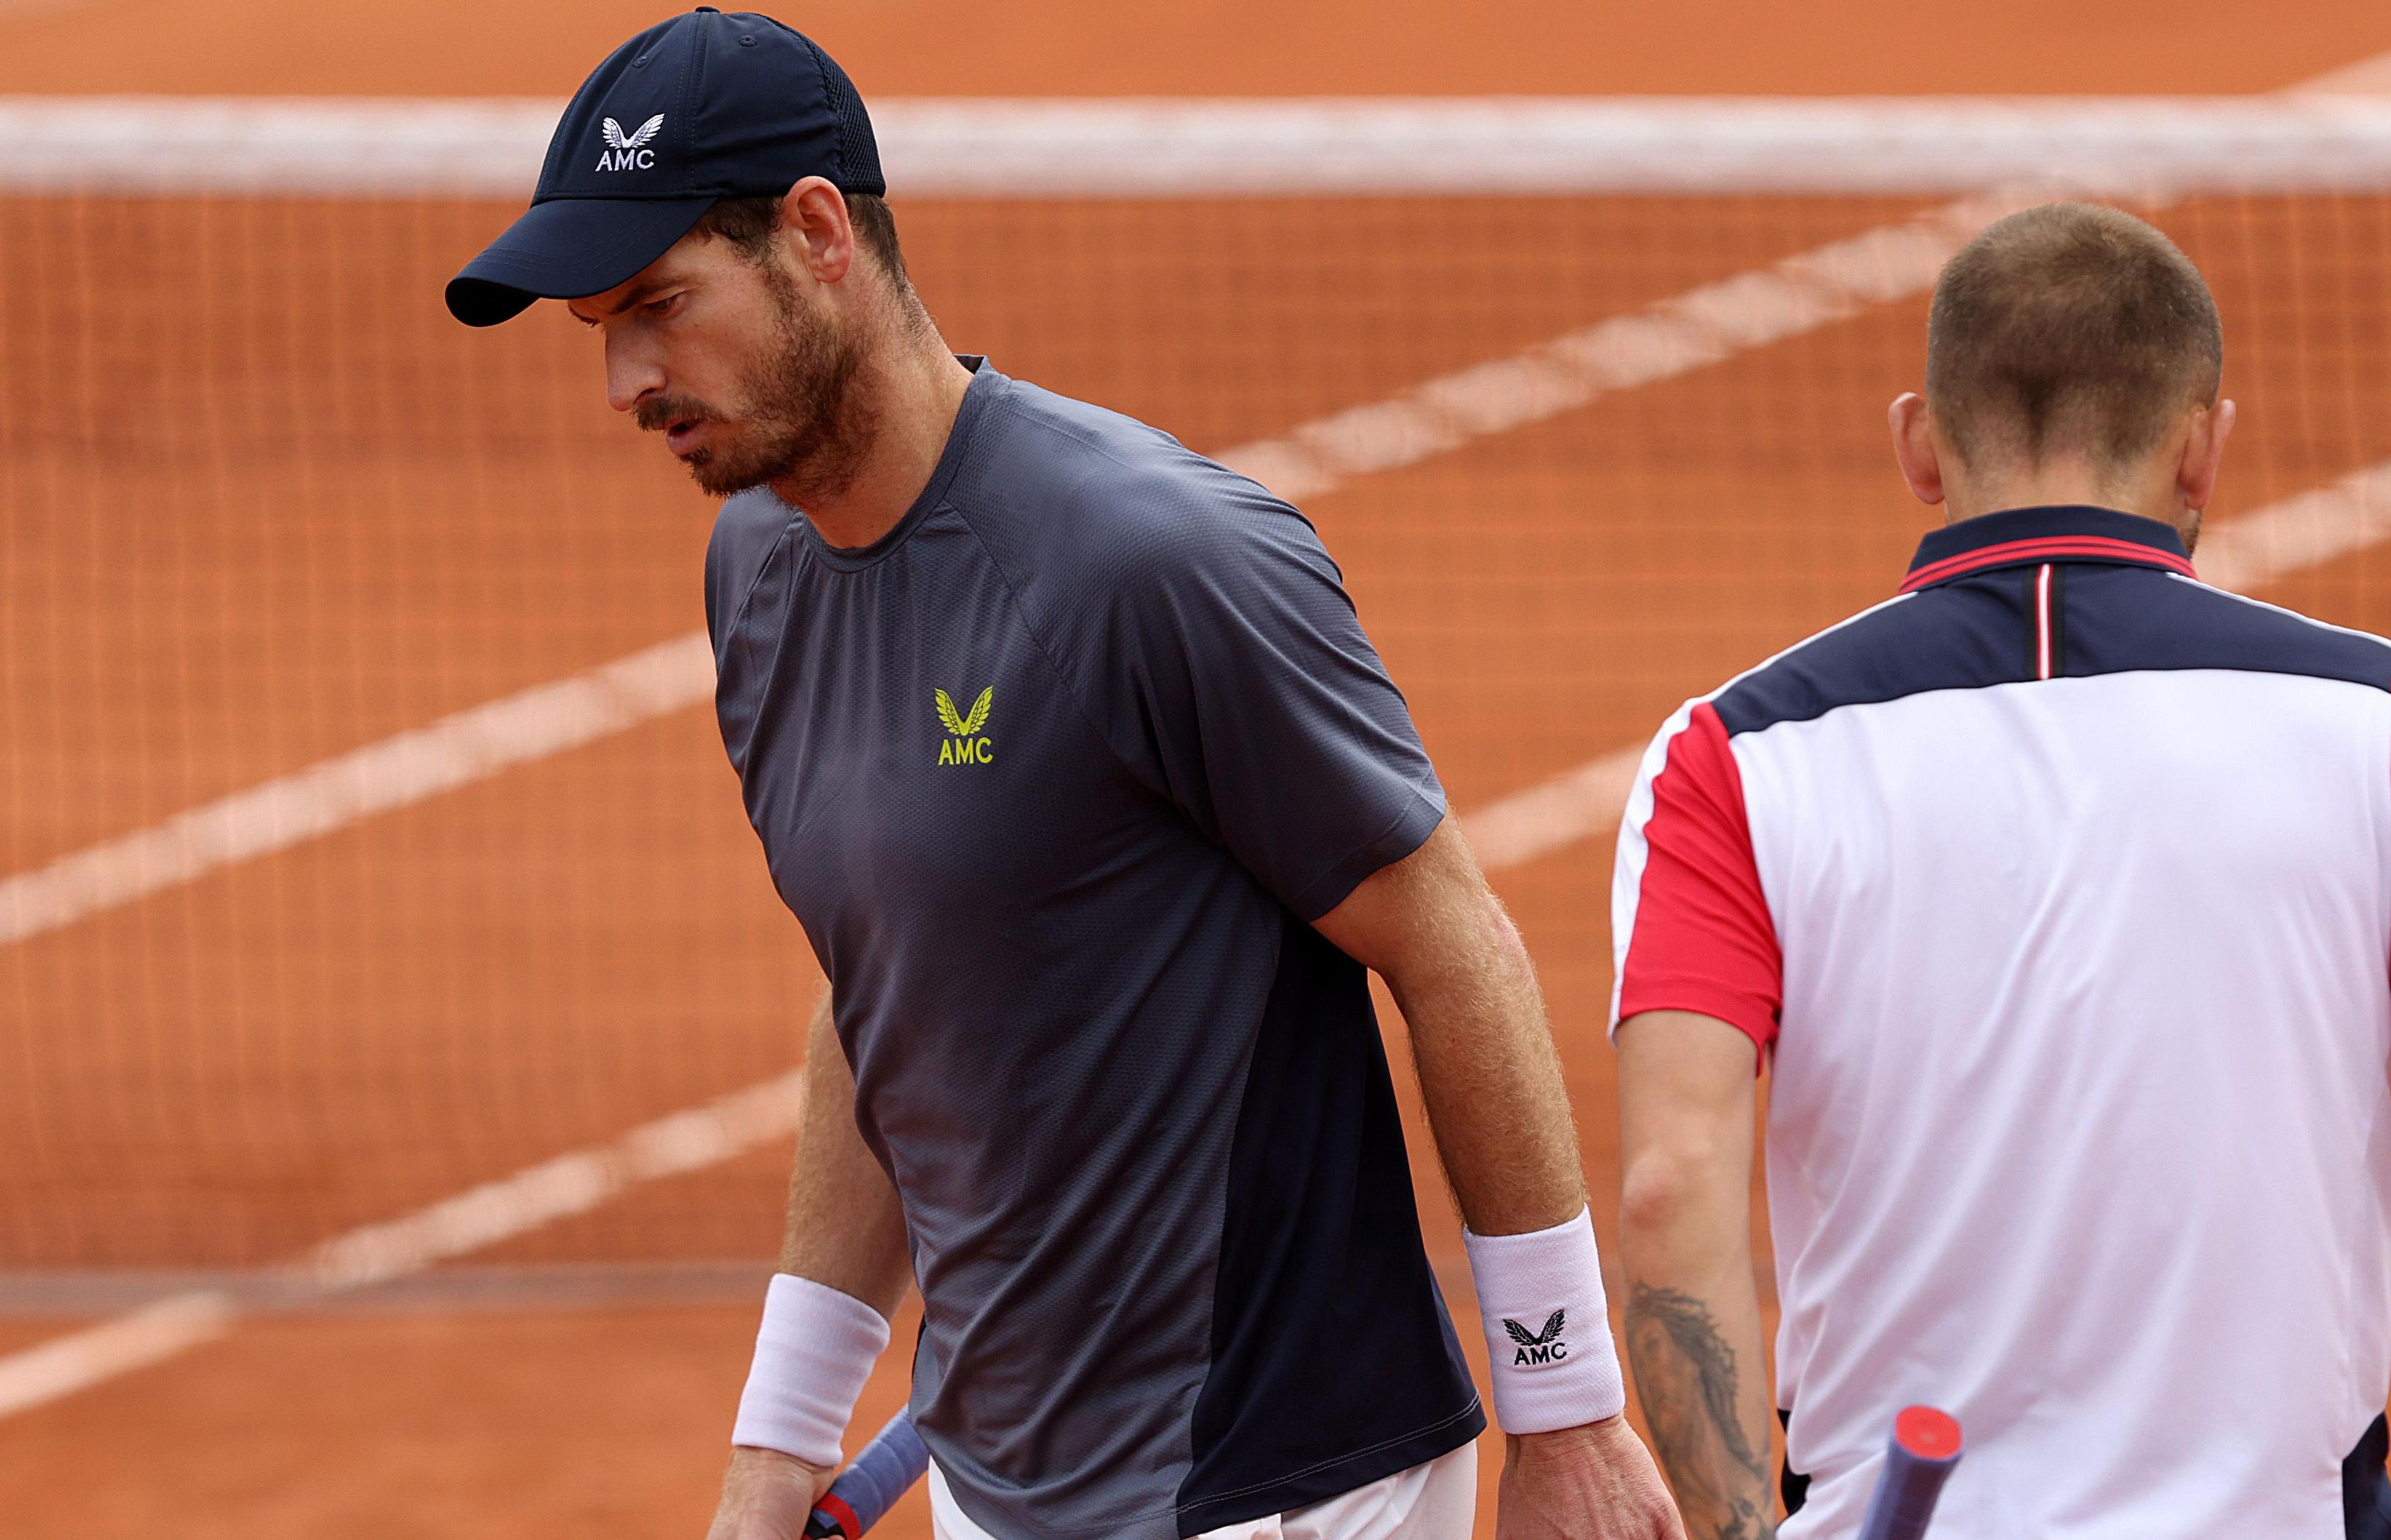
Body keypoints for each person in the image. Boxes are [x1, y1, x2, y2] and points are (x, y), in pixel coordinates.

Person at [443, 12, 1682, 1540]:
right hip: (1007, 1482)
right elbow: (886, 982)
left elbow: (1452, 941)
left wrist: (1564, 1413)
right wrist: (780, 1440)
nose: (626, 379)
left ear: (816, 234)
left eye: (658, 307)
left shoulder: (1146, 562)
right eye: (598, 331)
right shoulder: (757, 571)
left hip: (1266, 1473)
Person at [1607, 203, 2391, 1540]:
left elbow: (1667, 1192)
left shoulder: (1728, 760)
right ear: (2203, 449)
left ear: (1920, 447)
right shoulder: (2389, 719)